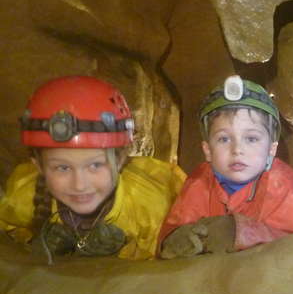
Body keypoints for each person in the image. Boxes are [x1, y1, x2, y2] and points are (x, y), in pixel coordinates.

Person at [0, 75, 186, 261]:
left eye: (95, 165)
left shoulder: (150, 204)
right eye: (62, 168)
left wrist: (125, 252)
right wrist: (34, 240)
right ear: (38, 166)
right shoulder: (23, 197)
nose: (80, 185)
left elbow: (168, 270)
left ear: (120, 160)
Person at [159, 76, 293, 258]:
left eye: (251, 139)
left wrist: (239, 232)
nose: (237, 149)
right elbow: (173, 234)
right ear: (207, 150)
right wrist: (175, 239)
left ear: (272, 149)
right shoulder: (199, 182)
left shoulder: (284, 186)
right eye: (224, 139)